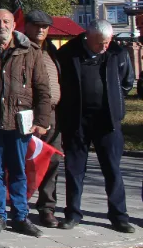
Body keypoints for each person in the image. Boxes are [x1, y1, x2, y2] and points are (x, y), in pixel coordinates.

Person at [0, 8, 50, 237]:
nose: (1, 25)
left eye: (6, 21)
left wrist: (42, 120)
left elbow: (43, 89)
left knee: (18, 171)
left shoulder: (30, 51)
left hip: (19, 124)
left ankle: (21, 216)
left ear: (14, 25)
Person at [55, 19, 135, 233]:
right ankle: (72, 214)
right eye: (99, 43)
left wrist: (114, 100)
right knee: (74, 169)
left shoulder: (118, 54)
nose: (104, 47)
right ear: (87, 36)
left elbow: (127, 82)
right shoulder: (68, 53)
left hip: (108, 121)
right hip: (77, 120)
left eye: (107, 42)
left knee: (112, 169)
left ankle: (119, 216)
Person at [24, 10, 63, 228]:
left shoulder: (52, 50)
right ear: (26, 26)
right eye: (37, 25)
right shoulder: (20, 48)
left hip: (53, 114)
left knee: (52, 161)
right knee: (25, 162)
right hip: (28, 114)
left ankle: (47, 207)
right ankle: (20, 207)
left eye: (45, 26)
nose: (41, 30)